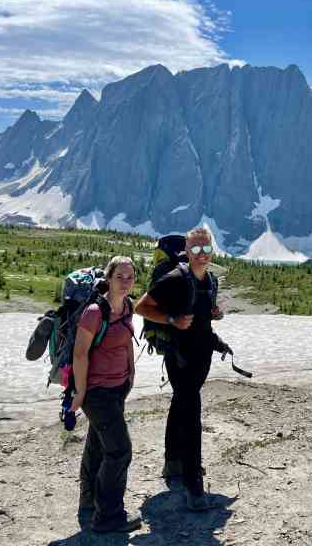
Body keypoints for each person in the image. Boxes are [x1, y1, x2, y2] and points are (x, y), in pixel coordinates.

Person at [135, 227, 229, 511]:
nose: (202, 255)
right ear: (187, 252)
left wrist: (215, 313)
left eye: (206, 249)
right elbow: (141, 307)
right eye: (196, 250)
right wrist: (171, 320)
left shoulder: (210, 280)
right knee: (192, 415)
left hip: (201, 357)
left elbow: (205, 315)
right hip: (179, 358)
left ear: (212, 251)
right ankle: (193, 485)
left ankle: (172, 461)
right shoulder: (175, 279)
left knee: (181, 404)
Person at [71, 255, 142, 533]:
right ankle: (109, 517)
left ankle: (89, 504)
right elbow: (79, 354)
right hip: (97, 392)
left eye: (130, 277)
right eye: (119, 277)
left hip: (117, 388)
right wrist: (80, 393)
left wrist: (131, 372)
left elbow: (126, 342)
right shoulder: (93, 312)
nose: (125, 282)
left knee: (98, 446)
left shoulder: (127, 307)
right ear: (108, 279)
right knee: (120, 451)